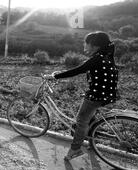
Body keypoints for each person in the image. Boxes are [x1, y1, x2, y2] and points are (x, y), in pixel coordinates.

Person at [44, 31, 119, 161]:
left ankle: (75, 149)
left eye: (87, 43)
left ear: (95, 46)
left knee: (81, 121)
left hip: (96, 95)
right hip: (106, 94)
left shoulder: (97, 58)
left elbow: (78, 70)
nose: (85, 46)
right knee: (91, 118)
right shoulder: (107, 55)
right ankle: (92, 142)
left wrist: (54, 76)